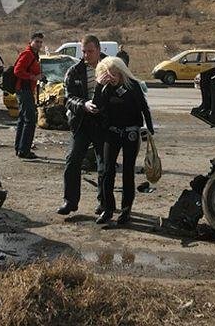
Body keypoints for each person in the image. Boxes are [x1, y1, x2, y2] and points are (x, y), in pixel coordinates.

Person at [93, 57, 154, 224]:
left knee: (128, 172)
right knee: (107, 171)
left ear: (121, 73)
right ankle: (108, 209)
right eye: (107, 74)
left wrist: (149, 129)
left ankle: (126, 210)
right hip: (112, 132)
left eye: (114, 74)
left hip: (130, 133)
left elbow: (144, 108)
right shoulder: (105, 89)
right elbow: (96, 107)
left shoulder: (133, 87)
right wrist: (99, 85)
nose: (111, 78)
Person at [57, 35, 106, 216]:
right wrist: (83, 105)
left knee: (104, 164)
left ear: (99, 50)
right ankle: (70, 202)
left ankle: (104, 203)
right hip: (81, 122)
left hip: (103, 124)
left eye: (90, 51)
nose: (86, 55)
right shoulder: (74, 71)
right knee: (72, 160)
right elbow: (68, 99)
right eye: (84, 52)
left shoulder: (111, 68)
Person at [13, 32, 44, 159]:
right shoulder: (28, 54)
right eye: (37, 41)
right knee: (30, 120)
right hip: (24, 90)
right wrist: (33, 77)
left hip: (26, 90)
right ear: (30, 41)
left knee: (23, 119)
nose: (39, 44)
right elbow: (17, 71)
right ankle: (24, 150)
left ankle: (20, 148)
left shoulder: (34, 55)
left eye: (41, 42)